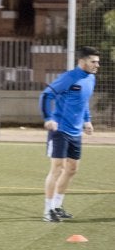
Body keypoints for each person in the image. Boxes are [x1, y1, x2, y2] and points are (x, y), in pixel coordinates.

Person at [39, 46, 100, 222]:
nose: (96, 65)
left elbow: (83, 102)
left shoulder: (91, 78)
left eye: (97, 62)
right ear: (82, 61)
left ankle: (57, 206)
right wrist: (48, 118)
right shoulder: (69, 77)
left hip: (75, 132)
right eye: (93, 61)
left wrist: (87, 120)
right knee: (57, 168)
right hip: (60, 129)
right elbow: (46, 95)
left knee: (72, 169)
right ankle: (47, 210)